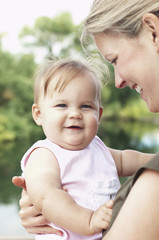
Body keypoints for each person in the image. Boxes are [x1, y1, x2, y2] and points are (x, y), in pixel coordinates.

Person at [12, 0, 159, 239]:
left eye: (85, 106)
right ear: (38, 114)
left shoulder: (97, 149)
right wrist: (83, 218)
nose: (74, 114)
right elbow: (46, 196)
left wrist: (153, 160)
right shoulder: (45, 154)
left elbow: (125, 159)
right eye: (61, 105)